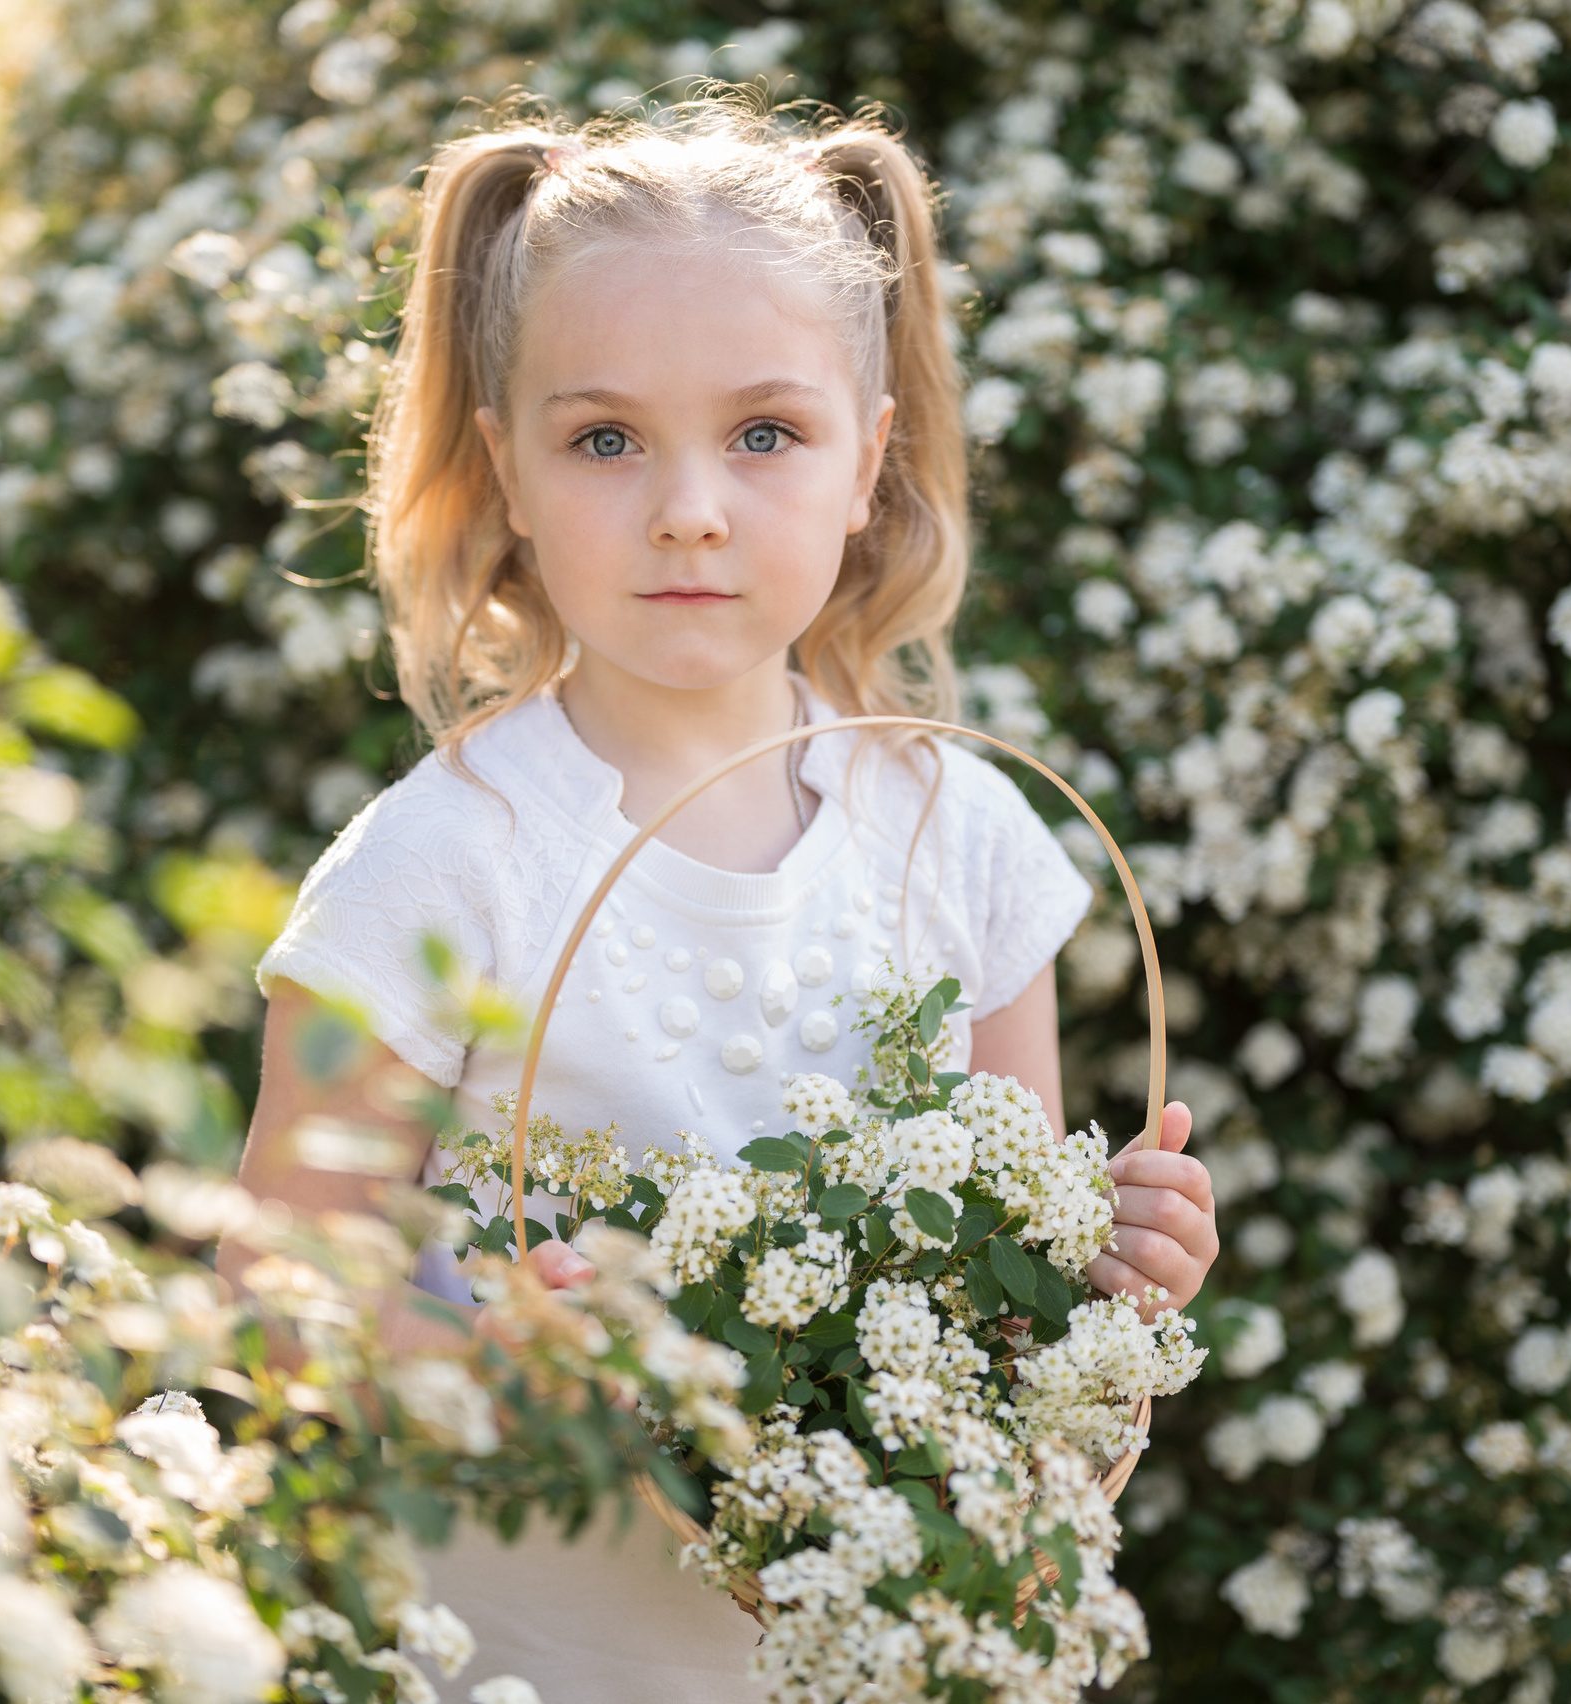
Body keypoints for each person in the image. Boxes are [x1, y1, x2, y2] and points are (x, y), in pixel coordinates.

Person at [233, 97, 1220, 1702]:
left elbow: (1007, 1326)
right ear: (512, 473)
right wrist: (479, 1358)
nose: (689, 504)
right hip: (528, 1665)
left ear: (865, 463)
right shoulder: (447, 864)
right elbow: (278, 1294)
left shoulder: (955, 838)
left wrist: (1112, 1270)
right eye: (605, 438)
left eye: (764, 435)